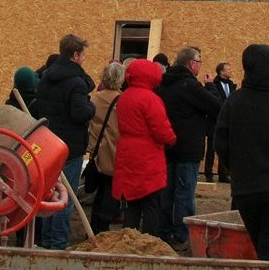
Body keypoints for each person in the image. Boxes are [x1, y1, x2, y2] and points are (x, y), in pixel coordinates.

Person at [215, 44, 269, 261]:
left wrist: (235, 168)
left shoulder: (234, 101)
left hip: (245, 186)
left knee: (261, 243)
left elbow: (221, 141)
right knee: (266, 244)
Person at [32, 33, 96, 250]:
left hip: (49, 143)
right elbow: (80, 113)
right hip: (70, 146)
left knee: (50, 193)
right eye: (83, 55)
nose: (84, 59)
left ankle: (47, 241)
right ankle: (58, 243)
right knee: (65, 197)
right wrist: (91, 107)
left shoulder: (46, 77)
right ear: (75, 55)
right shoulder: (76, 83)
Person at [156, 46, 221, 252]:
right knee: (184, 193)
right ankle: (182, 234)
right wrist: (210, 86)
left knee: (166, 193)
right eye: (199, 61)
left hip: (166, 146)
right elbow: (216, 106)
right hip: (188, 148)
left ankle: (164, 232)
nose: (200, 65)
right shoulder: (190, 85)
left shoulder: (163, 84)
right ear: (192, 64)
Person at [112, 59, 176, 234]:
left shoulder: (124, 96)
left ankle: (129, 238)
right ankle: (150, 239)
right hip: (147, 154)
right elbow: (161, 130)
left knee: (132, 201)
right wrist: (171, 139)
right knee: (151, 202)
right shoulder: (151, 99)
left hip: (127, 151)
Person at [86, 62, 125, 234]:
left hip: (96, 152)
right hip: (114, 153)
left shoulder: (94, 99)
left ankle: (94, 228)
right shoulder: (122, 100)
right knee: (109, 194)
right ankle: (102, 229)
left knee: (99, 194)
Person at [203, 61, 236, 182]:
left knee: (224, 147)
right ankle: (208, 173)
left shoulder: (231, 85)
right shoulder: (214, 84)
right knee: (211, 149)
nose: (230, 71)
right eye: (228, 69)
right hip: (214, 120)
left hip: (226, 122)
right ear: (221, 72)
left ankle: (223, 174)